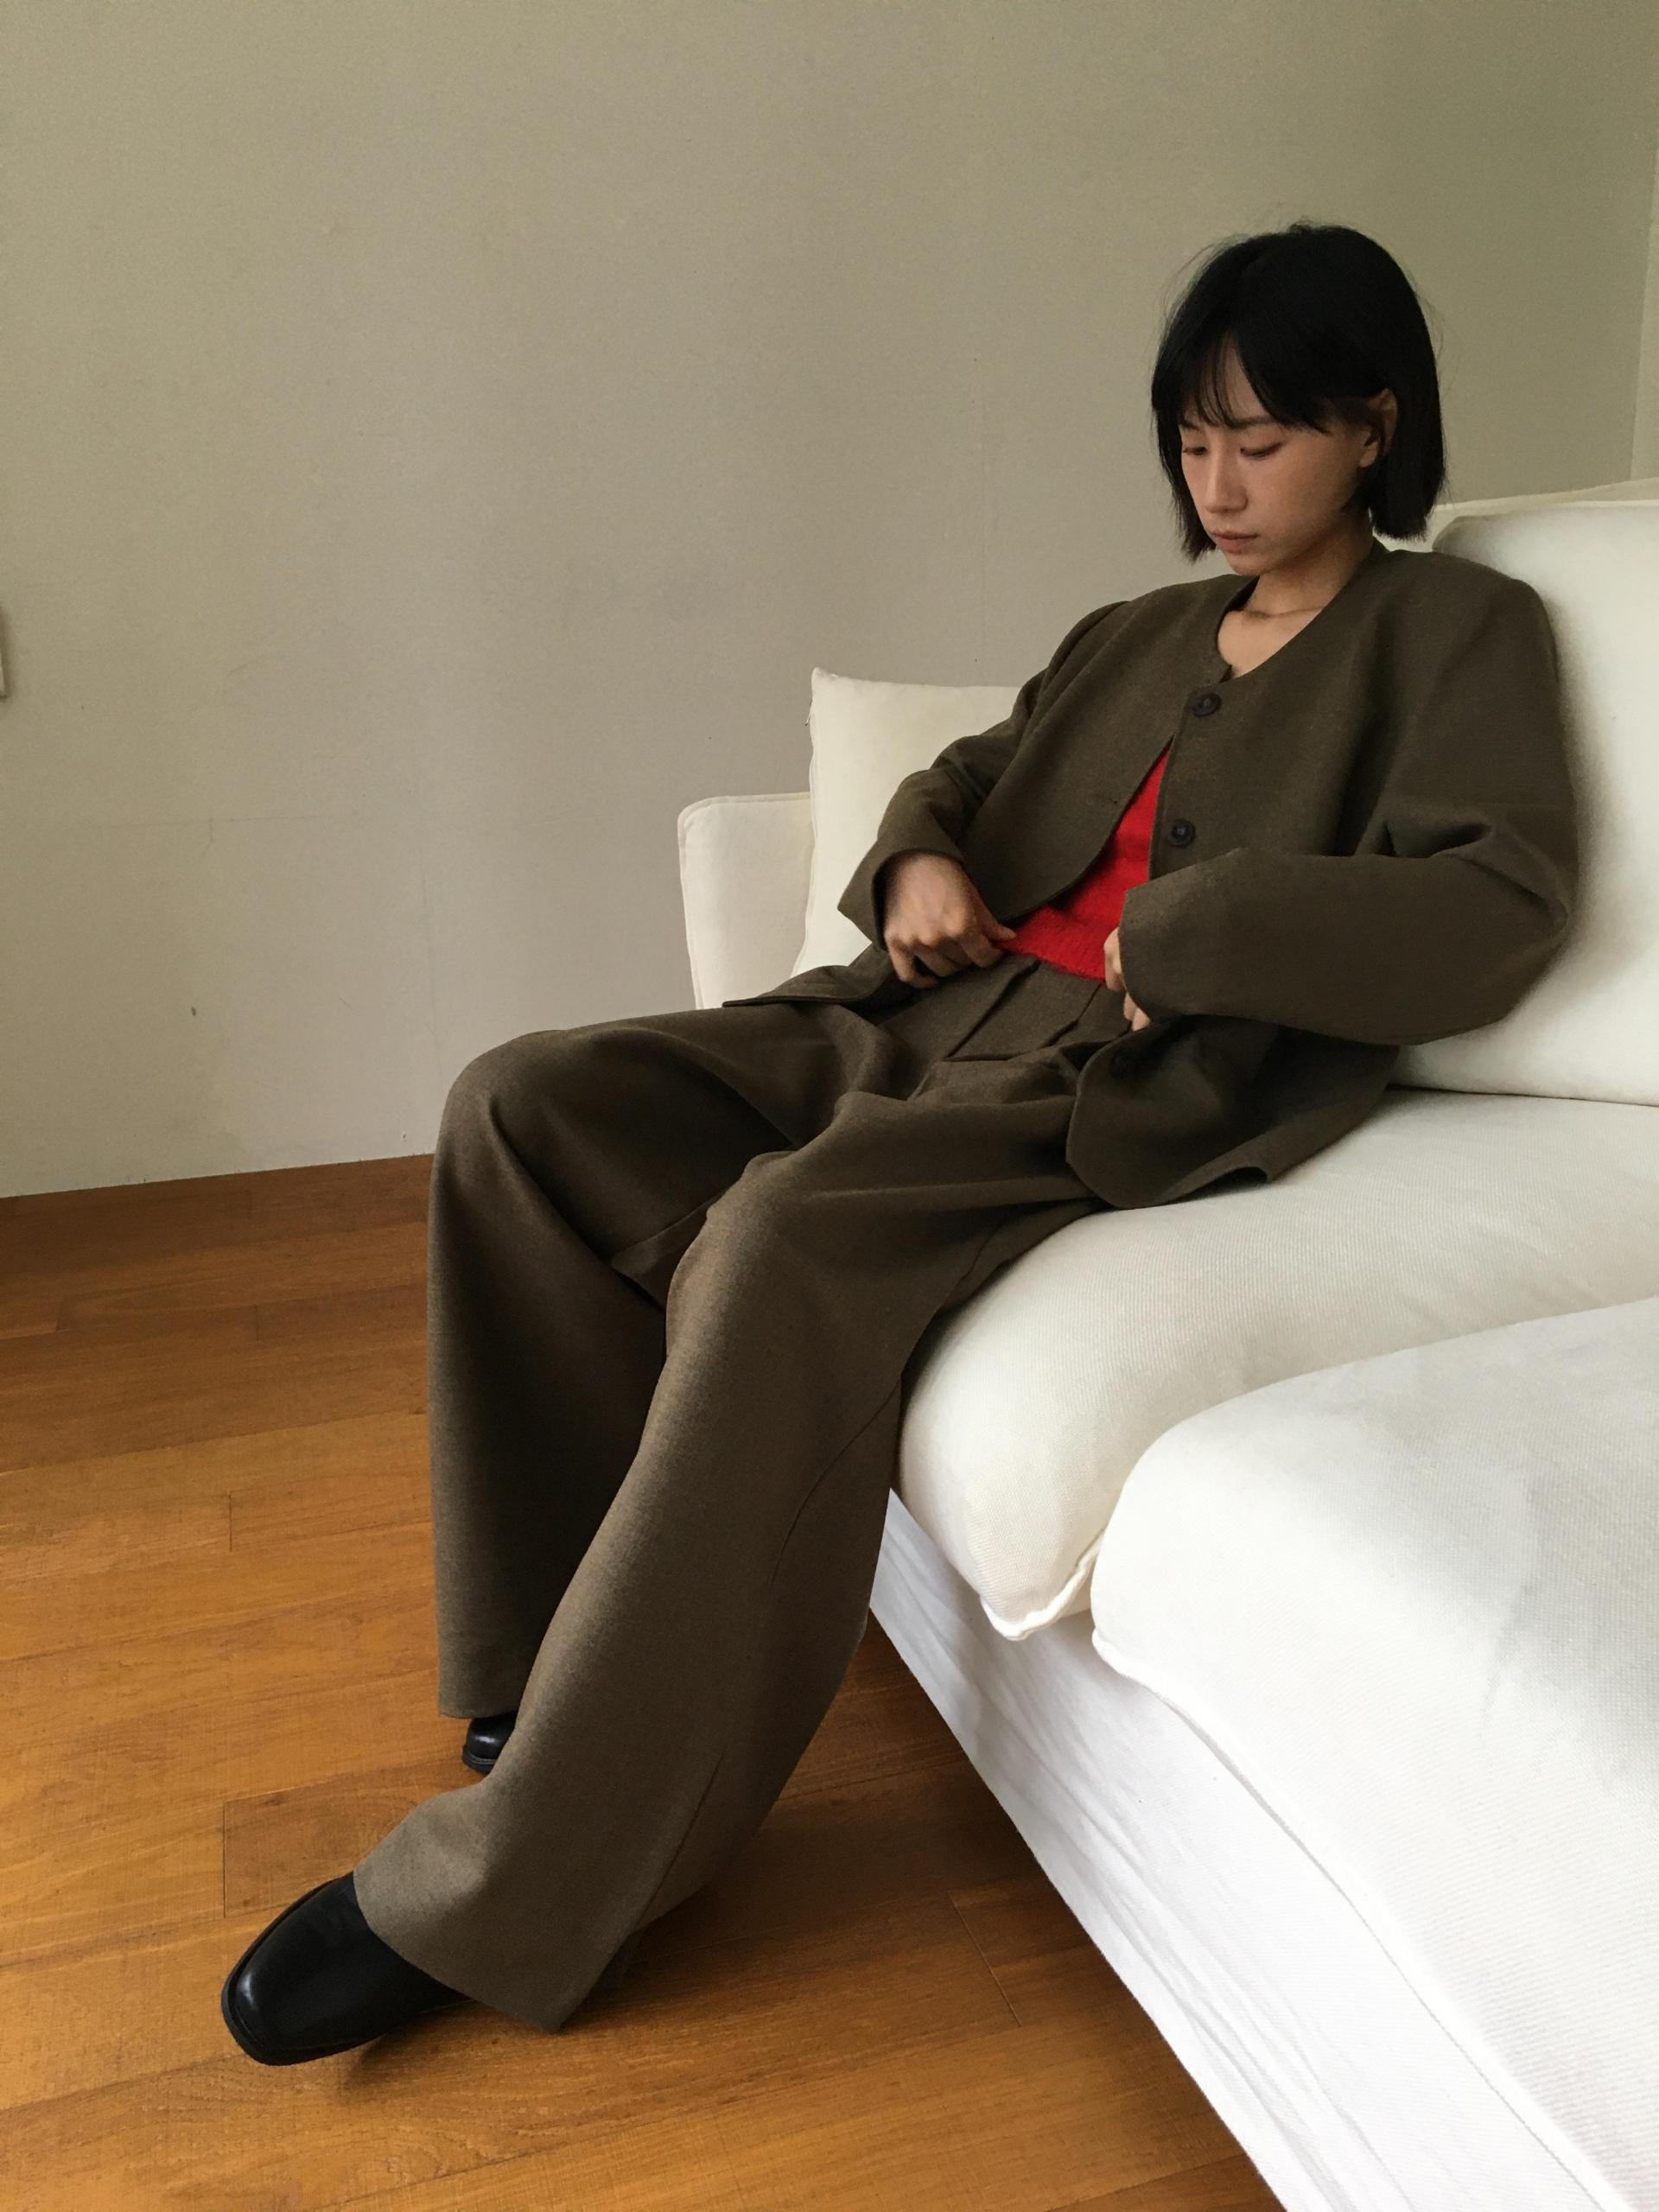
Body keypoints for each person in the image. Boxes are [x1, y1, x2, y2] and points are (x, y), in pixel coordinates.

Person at [219, 222, 1577, 2063]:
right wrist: (917, 857)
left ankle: (515, 1879)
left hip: (1107, 1075)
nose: (1218, 483)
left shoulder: (1456, 632)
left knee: (778, 1239)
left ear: (1374, 424)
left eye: (1262, 439)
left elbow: (1499, 903)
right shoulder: (1134, 634)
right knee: (520, 1107)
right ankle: (542, 1663)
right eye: (1192, 441)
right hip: (903, 1013)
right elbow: (967, 778)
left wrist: (1200, 932)